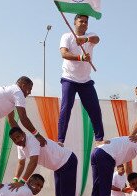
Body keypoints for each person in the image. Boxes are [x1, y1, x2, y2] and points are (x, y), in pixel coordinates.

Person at [9, 126, 78, 196]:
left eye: (18, 137)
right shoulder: (20, 146)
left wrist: (22, 181)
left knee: (66, 195)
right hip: (57, 167)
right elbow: (21, 163)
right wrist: (15, 179)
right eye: (14, 140)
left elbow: (33, 161)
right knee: (59, 195)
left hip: (67, 161)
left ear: (23, 134)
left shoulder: (32, 140)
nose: (17, 140)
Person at [58, 14, 105, 146]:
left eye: (86, 22)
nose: (84, 23)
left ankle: (99, 139)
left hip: (85, 81)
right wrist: (81, 58)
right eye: (81, 21)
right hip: (69, 78)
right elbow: (64, 53)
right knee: (66, 108)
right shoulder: (67, 36)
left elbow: (97, 39)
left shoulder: (90, 35)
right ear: (75, 22)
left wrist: (84, 39)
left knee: (95, 109)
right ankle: (60, 140)